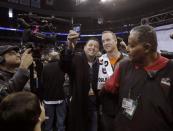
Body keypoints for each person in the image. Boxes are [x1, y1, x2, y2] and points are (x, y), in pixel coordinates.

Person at [105, 25, 173, 131]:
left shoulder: (170, 68)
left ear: (147, 48)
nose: (127, 49)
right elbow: (107, 93)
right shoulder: (124, 66)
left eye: (131, 46)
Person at [60, 30, 100, 131]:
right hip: (79, 105)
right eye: (90, 45)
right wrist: (69, 46)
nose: (93, 48)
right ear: (85, 47)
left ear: (98, 50)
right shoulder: (76, 59)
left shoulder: (101, 64)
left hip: (95, 106)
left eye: (96, 46)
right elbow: (64, 66)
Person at [98, 31, 126, 131]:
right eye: (103, 41)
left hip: (125, 110)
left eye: (108, 40)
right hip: (107, 110)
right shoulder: (99, 61)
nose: (105, 43)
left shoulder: (127, 60)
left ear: (115, 41)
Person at [41, 50, 67, 131]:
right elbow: (65, 81)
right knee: (61, 122)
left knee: (48, 122)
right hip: (60, 97)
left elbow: (42, 83)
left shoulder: (45, 67)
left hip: (48, 98)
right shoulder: (62, 67)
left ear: (50, 58)